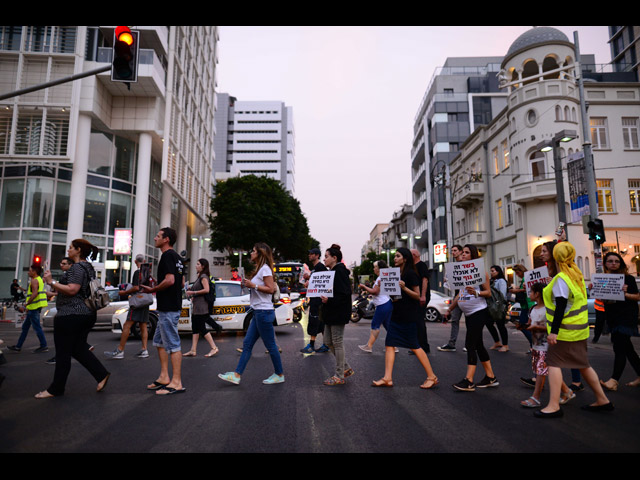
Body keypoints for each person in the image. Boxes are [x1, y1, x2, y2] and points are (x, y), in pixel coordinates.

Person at [535, 242, 612, 418]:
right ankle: (602, 399)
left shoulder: (561, 278)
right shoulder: (575, 275)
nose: (542, 254)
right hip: (579, 330)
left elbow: (561, 306)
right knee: (583, 365)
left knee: (553, 363)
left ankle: (554, 405)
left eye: (546, 252)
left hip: (564, 331)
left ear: (556, 257)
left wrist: (553, 332)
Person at [35, 239, 110, 398]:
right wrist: (56, 291)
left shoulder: (77, 267)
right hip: (85, 314)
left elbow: (72, 290)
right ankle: (101, 374)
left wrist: (51, 282)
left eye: (71, 248)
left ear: (78, 250)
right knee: (78, 349)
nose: (68, 250)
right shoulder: (88, 267)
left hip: (71, 316)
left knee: (63, 353)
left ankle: (56, 389)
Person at [218, 242, 284, 385]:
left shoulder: (265, 269)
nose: (251, 253)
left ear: (260, 254)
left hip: (263, 312)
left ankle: (279, 374)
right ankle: (236, 375)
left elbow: (271, 289)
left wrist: (253, 285)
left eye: (254, 251)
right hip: (258, 312)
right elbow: (260, 288)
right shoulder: (260, 270)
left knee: (271, 346)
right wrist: (247, 285)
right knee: (247, 344)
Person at [372, 248, 438, 389]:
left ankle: (431, 376)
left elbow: (417, 295)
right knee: (389, 344)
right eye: (395, 256)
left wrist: (404, 288)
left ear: (405, 259)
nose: (395, 258)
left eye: (397, 256)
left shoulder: (410, 274)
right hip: (397, 314)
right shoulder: (397, 274)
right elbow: (397, 296)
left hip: (408, 315)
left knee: (415, 346)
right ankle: (387, 378)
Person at [140, 227, 186, 395]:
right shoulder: (178, 258)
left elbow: (170, 280)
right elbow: (181, 283)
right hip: (170, 306)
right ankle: (164, 377)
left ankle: (177, 382)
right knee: (159, 341)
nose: (154, 238)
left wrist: (153, 289)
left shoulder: (167, 256)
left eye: (158, 236)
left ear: (166, 239)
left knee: (173, 344)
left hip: (169, 307)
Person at [452, 244, 499, 392]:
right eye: (462, 252)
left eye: (466, 252)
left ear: (473, 255)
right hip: (469, 313)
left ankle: (469, 380)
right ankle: (491, 377)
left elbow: (488, 293)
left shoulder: (481, 273)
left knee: (470, 344)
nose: (463, 254)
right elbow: (460, 293)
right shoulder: (462, 273)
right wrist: (451, 308)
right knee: (478, 345)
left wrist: (476, 293)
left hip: (479, 311)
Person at [596, 252, 640, 390]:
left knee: (619, 348)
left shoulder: (628, 279)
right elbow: (606, 301)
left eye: (616, 261)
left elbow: (637, 297)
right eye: (610, 261)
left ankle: (614, 381)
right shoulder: (604, 279)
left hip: (626, 318)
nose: (613, 263)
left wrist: (625, 294)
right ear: (605, 264)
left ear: (620, 263)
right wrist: (595, 290)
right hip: (613, 318)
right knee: (628, 349)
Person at [104, 254, 151, 359]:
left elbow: (135, 288)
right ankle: (144, 349)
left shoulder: (137, 273)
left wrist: (124, 292)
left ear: (135, 262)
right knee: (143, 325)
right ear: (144, 260)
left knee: (127, 325)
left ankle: (120, 350)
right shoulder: (147, 274)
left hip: (137, 302)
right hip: (145, 302)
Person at [319, 244, 354, 385]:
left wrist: (329, 299)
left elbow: (345, 294)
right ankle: (346, 368)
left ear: (334, 258)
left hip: (337, 313)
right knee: (328, 341)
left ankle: (339, 376)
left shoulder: (339, 271)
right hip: (330, 313)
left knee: (337, 342)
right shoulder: (333, 272)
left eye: (326, 257)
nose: (324, 259)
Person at [7, 264, 49, 353]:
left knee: (37, 328)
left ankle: (44, 346)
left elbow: (34, 294)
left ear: (34, 271)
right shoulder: (39, 280)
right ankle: (18, 346)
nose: (28, 272)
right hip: (34, 307)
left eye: (30, 270)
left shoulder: (34, 281)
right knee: (25, 328)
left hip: (33, 308)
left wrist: (24, 305)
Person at [183, 258, 219, 358]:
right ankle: (193, 350)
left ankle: (214, 348)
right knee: (195, 328)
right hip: (196, 306)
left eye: (198, 264)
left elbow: (206, 290)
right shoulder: (199, 277)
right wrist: (191, 290)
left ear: (203, 266)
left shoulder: (203, 276)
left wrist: (193, 292)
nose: (196, 265)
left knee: (202, 328)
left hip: (201, 307)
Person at [520, 282, 548, 407]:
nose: (529, 294)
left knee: (540, 371)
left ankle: (535, 397)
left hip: (546, 345)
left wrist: (537, 327)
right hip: (536, 344)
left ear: (537, 294)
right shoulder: (533, 308)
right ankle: (566, 391)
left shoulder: (548, 309)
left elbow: (552, 327)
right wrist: (524, 326)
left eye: (531, 292)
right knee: (546, 371)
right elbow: (530, 322)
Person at [358, 260, 393, 353]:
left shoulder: (379, 278)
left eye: (375, 267)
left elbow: (375, 291)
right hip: (387, 303)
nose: (374, 269)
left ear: (379, 268)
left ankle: (369, 346)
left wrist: (364, 287)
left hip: (382, 305)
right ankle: (393, 346)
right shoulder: (383, 277)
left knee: (375, 324)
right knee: (388, 326)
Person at [300, 247, 329, 353]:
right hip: (315, 299)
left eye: (311, 253)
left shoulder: (320, 267)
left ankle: (313, 345)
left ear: (317, 255)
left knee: (315, 321)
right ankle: (326, 344)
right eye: (309, 253)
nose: (309, 255)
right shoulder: (315, 268)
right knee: (319, 323)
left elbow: (324, 283)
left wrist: (309, 279)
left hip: (318, 301)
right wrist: (308, 279)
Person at [439, 244, 464, 352]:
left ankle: (471, 344)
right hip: (457, 296)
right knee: (454, 320)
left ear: (460, 252)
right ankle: (452, 343)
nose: (453, 252)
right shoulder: (453, 266)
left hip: (467, 296)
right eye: (452, 251)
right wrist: (447, 281)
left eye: (455, 250)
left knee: (470, 322)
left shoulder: (465, 264)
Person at [509, 264, 533, 348]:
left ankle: (533, 344)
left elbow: (526, 290)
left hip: (526, 305)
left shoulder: (525, 278)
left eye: (517, 272)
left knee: (523, 326)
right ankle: (532, 344)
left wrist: (515, 290)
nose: (517, 274)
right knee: (525, 325)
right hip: (526, 305)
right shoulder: (526, 277)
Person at [411, 248, 431, 354]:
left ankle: (423, 347)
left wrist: (423, 296)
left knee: (419, 321)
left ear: (414, 255)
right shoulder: (413, 267)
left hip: (421, 297)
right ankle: (418, 346)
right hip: (416, 297)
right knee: (416, 321)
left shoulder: (421, 265)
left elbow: (425, 280)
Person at [486, 265, 509, 352]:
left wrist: (499, 304)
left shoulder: (501, 281)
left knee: (501, 325)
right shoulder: (492, 281)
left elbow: (502, 294)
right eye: (491, 271)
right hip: (491, 306)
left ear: (498, 271)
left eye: (493, 271)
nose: (491, 272)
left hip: (499, 306)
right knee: (488, 323)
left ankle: (505, 345)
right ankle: (497, 342)